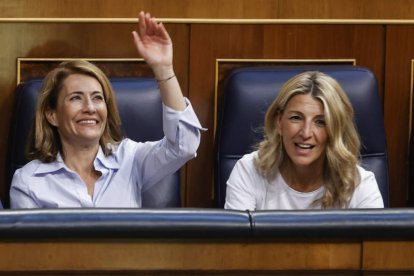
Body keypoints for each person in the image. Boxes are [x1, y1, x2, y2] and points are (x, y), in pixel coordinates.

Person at [10, 11, 204, 208]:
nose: (90, 108)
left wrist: (164, 69)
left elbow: (184, 146)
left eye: (97, 98)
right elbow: (31, 241)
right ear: (52, 116)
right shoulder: (28, 182)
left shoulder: (130, 159)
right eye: (76, 98)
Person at [224, 71, 384, 210]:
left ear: (335, 129)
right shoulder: (249, 171)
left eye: (320, 122)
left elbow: (374, 245)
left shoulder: (360, 185)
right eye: (296, 118)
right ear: (279, 122)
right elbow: (234, 244)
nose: (306, 132)